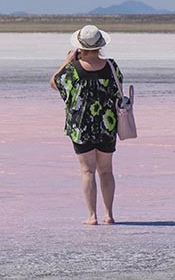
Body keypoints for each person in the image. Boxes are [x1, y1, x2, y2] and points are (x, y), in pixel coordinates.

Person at [49, 25, 125, 225]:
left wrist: (66, 62)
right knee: (106, 171)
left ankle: (92, 216)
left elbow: (55, 83)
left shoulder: (73, 69)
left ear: (80, 46)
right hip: (107, 125)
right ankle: (109, 215)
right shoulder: (111, 66)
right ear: (100, 46)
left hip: (81, 126)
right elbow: (118, 91)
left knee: (87, 171)